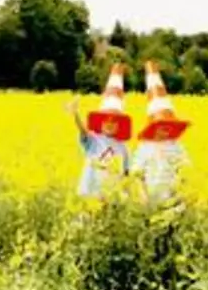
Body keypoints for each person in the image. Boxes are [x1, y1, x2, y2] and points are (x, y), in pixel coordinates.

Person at [133, 61, 190, 206]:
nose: (165, 130)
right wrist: (142, 194)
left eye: (169, 126)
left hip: (173, 201)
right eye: (161, 126)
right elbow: (137, 174)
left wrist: (182, 191)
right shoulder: (144, 147)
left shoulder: (177, 146)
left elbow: (184, 170)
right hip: (150, 201)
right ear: (153, 127)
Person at [71, 64, 131, 199]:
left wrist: (127, 193)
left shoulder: (123, 148)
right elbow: (83, 132)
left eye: (114, 121)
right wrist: (76, 114)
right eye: (106, 120)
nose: (109, 124)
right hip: (90, 191)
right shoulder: (94, 139)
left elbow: (126, 173)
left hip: (111, 196)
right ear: (101, 122)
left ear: (120, 125)